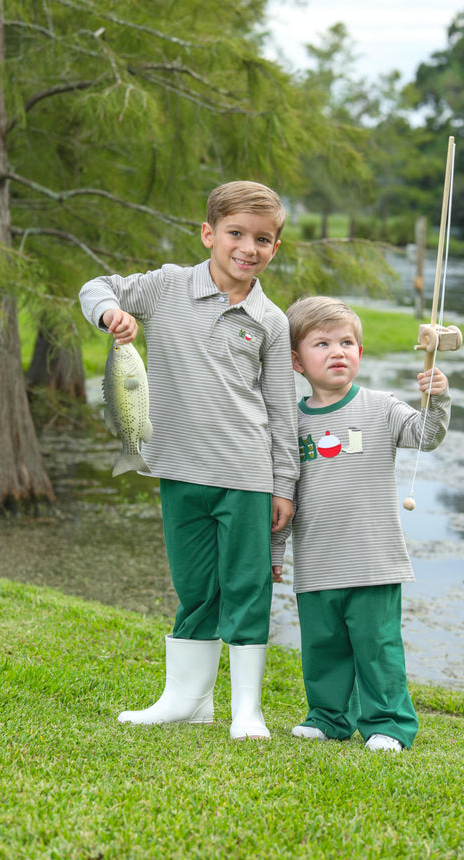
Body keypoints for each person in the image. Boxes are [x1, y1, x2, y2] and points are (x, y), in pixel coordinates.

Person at [79, 180, 299, 739]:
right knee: (195, 587)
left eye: (264, 239)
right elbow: (96, 286)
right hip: (177, 471)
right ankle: (186, 699)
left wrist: (284, 484)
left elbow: (279, 408)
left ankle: (246, 710)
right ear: (208, 234)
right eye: (236, 234)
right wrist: (110, 316)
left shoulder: (270, 320)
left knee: (247, 587)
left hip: (246, 476)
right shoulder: (167, 287)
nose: (248, 248)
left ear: (275, 247)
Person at [272, 296, 451, 752]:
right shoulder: (290, 422)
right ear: (296, 360)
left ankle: (388, 724)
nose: (338, 351)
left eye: (347, 342)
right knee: (324, 647)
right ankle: (329, 717)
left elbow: (426, 436)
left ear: (361, 352)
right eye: (323, 343)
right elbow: (283, 495)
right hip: (317, 563)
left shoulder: (381, 407)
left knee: (377, 647)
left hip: (374, 561)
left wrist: (438, 397)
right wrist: (276, 553)